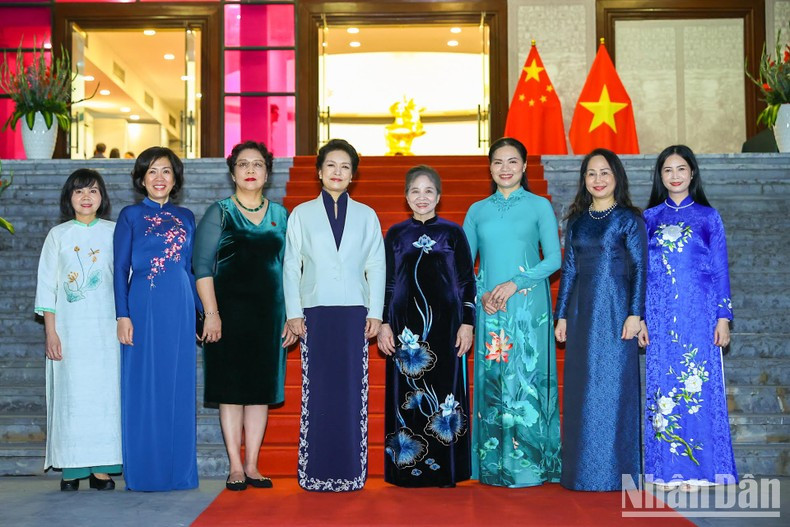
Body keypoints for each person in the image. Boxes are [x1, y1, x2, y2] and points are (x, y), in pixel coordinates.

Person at [283, 138, 386, 492]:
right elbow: (290, 266)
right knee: (318, 391)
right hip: (315, 312)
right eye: (331, 166)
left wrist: (375, 312)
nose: (337, 172)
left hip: (354, 313)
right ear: (319, 171)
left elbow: (377, 264)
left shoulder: (367, 215)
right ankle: (315, 473)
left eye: (344, 167)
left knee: (351, 392)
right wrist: (293, 312)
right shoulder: (301, 214)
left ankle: (352, 472)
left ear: (353, 174)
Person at [193, 141, 296, 491]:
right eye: (242, 164)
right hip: (227, 315)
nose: (250, 170)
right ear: (232, 171)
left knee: (259, 391)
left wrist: (291, 315)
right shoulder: (219, 211)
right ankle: (235, 465)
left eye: (257, 164)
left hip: (269, 316)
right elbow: (202, 267)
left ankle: (253, 464)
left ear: (267, 172)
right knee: (231, 391)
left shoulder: (281, 215)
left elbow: (291, 269)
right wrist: (211, 314)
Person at [462, 137, 562, 488]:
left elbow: (554, 258)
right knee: (495, 380)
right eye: (498, 162)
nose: (505, 168)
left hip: (528, 306)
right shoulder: (477, 210)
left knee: (527, 378)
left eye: (512, 161)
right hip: (491, 308)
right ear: (490, 168)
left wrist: (514, 283)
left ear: (523, 166)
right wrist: (482, 292)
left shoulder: (539, 206)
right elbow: (463, 265)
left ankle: (532, 465)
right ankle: (493, 466)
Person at [640, 145, 737, 491]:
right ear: (660, 176)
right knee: (663, 388)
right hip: (660, 315)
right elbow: (640, 274)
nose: (675, 175)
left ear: (692, 173)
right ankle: (666, 470)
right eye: (668, 170)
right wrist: (640, 318)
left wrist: (723, 317)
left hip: (699, 315)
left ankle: (702, 469)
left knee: (699, 387)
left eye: (682, 169)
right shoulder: (648, 219)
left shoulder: (709, 217)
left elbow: (720, 270)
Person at [554, 148, 647, 491]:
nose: (598, 179)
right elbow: (569, 270)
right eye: (591, 173)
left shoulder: (628, 219)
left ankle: (616, 472)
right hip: (581, 312)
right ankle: (583, 472)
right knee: (582, 389)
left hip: (617, 312)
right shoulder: (577, 221)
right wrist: (560, 315)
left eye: (604, 172)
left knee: (614, 389)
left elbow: (639, 269)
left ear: (617, 177)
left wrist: (636, 313)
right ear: (584, 180)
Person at [378, 165, 475, 488]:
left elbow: (465, 282)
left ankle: (445, 469)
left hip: (446, 330)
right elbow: (387, 284)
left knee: (445, 396)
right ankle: (407, 471)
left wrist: (467, 324)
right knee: (406, 396)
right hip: (406, 333)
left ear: (439, 196)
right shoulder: (394, 234)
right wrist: (384, 324)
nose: (422, 197)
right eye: (415, 191)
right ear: (406, 197)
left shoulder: (453, 233)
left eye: (428, 191)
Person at [113, 146, 199, 491]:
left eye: (166, 171)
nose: (159, 178)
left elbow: (189, 270)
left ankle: (179, 473)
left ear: (175, 178)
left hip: (178, 306)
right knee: (144, 386)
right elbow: (119, 268)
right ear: (141, 179)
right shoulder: (130, 216)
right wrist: (122, 314)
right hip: (143, 305)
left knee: (178, 387)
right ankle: (146, 471)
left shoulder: (188, 216)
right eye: (152, 172)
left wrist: (199, 313)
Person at [34, 169, 122, 491]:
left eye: (93, 191)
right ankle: (71, 467)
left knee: (104, 398)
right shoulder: (58, 236)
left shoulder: (115, 233)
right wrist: (51, 332)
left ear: (103, 197)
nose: (86, 198)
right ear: (68, 198)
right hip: (69, 333)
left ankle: (102, 468)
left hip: (106, 333)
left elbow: (125, 282)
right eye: (79, 191)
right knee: (72, 397)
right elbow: (48, 287)